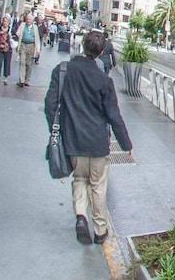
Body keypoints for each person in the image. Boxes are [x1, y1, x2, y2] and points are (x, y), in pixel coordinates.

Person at [44, 32, 132, 246]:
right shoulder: (104, 81)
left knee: (79, 179)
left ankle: (81, 217)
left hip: (73, 140)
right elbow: (114, 116)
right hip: (98, 143)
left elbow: (50, 104)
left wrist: (56, 130)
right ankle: (100, 229)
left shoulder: (63, 71)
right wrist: (126, 145)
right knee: (98, 185)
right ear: (102, 52)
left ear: (82, 46)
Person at [15, 13, 41, 87]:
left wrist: (38, 49)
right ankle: (21, 81)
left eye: (30, 19)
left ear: (32, 21)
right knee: (22, 62)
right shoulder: (23, 25)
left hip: (32, 46)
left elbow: (37, 39)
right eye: (27, 19)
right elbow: (18, 32)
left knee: (29, 64)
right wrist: (19, 34)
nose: (28, 20)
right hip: (23, 45)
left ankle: (27, 80)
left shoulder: (35, 27)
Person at [0, 15, 13, 87]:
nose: (5, 23)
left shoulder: (11, 29)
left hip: (8, 49)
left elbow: (15, 37)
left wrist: (11, 36)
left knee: (7, 63)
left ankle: (5, 78)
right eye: (4, 21)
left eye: (7, 21)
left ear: (9, 23)